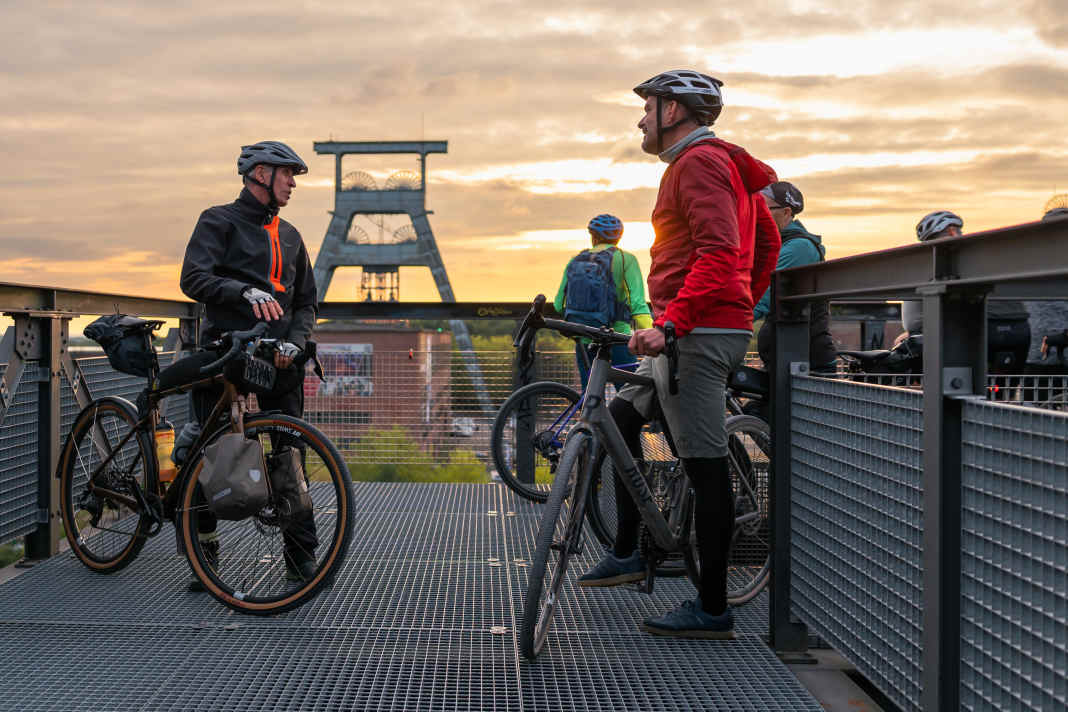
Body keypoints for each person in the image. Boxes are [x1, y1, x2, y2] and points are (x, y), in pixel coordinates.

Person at [577, 70, 780, 639]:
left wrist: (678, 322)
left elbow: (719, 250)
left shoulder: (698, 164)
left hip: (692, 330)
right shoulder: (718, 165)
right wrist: (740, 303)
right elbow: (763, 244)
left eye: (648, 108)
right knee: (619, 421)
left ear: (675, 112)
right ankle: (629, 550)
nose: (640, 118)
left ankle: (712, 608)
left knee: (702, 461)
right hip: (693, 324)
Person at [179, 140, 319, 591]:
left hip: (279, 360)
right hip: (225, 353)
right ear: (260, 173)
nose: (293, 183)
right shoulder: (217, 220)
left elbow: (305, 303)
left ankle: (301, 562)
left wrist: (297, 344)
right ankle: (205, 562)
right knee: (209, 454)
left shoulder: (293, 235)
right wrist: (241, 291)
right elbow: (192, 278)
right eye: (287, 174)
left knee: (290, 458)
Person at [900, 210, 1032, 374]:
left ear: (951, 231)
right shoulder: (977, 256)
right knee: (1005, 392)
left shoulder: (947, 261)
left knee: (961, 386)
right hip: (1019, 328)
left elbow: (924, 317)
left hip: (979, 328)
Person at [553, 214, 652, 387]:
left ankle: (588, 414)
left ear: (593, 236)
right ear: (618, 237)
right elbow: (637, 305)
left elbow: (558, 304)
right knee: (630, 397)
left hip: (584, 337)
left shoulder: (575, 260)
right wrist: (653, 333)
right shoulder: (625, 259)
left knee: (589, 397)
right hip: (617, 337)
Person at [752, 181, 836, 375]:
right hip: (787, 358)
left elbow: (766, 293)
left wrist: (729, 323)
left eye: (762, 208)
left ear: (786, 213)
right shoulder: (775, 246)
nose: (756, 214)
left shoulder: (799, 248)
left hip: (806, 362)